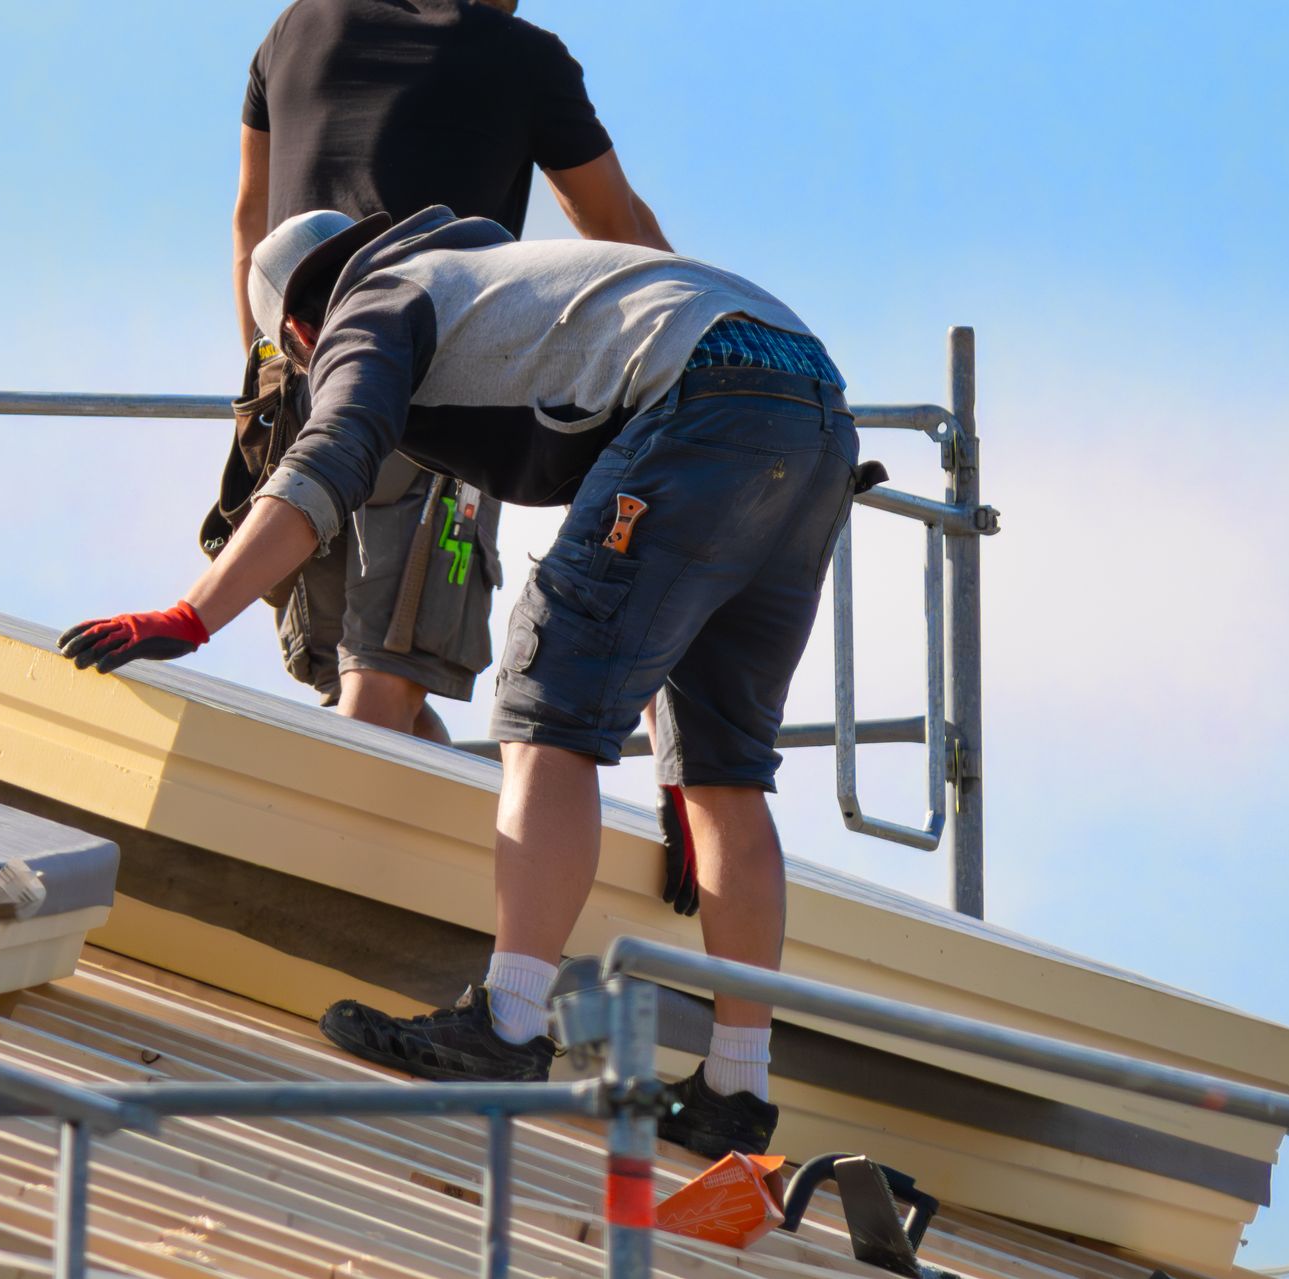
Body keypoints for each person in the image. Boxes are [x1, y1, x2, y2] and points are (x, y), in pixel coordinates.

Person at [61, 207, 859, 1158]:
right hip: (811, 404)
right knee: (724, 770)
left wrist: (194, 611)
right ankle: (736, 1085)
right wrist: (676, 779)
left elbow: (334, 456)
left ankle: (510, 1025)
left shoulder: (379, 301)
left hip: (708, 395)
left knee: (547, 699)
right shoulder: (503, 281)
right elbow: (657, 591)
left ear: (302, 334)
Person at [232, 0, 670, 744]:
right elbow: (622, 238)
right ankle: (363, 862)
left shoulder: (298, 28)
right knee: (384, 678)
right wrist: (713, 362)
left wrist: (267, 372)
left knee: (368, 688)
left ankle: (463, 860)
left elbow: (250, 222)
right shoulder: (522, 57)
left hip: (298, 388)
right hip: (434, 395)